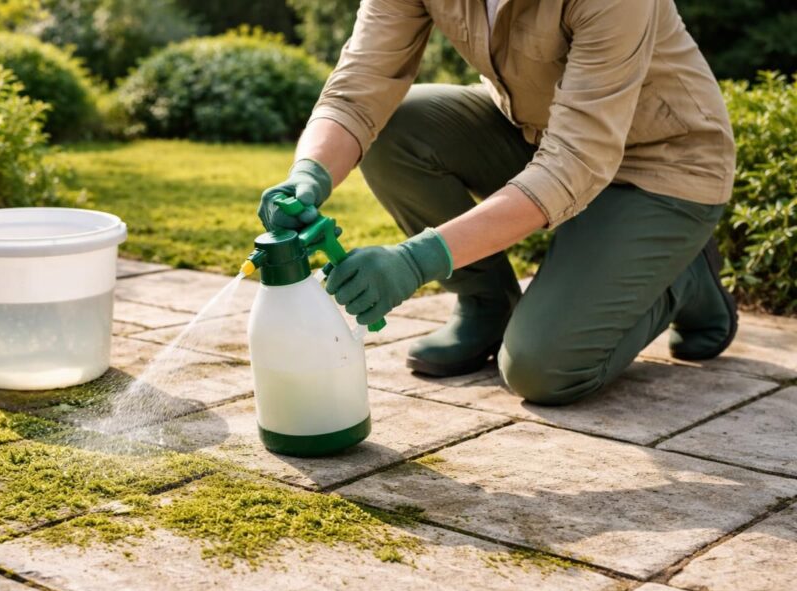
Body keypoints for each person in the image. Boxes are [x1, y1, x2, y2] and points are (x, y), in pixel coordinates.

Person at [257, 0, 737, 406]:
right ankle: (487, 303)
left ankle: (683, 276)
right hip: (538, 134)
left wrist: (416, 260)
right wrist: (309, 173)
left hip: (661, 166)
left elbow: (575, 162)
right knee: (396, 132)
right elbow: (360, 85)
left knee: (541, 370)